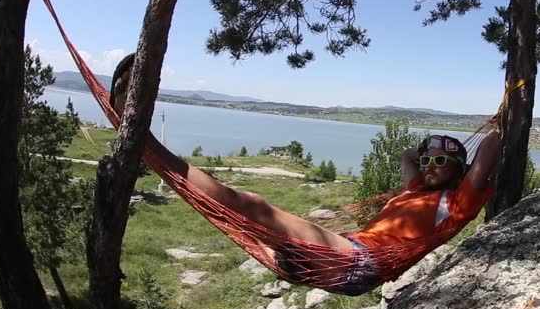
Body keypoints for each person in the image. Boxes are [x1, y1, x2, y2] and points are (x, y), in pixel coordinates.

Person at [110, 53, 501, 295]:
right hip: (336, 258)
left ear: (459, 170)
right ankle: (141, 141)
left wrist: (498, 122)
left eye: (440, 163)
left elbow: (488, 152)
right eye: (428, 160)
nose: (429, 167)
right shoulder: (415, 190)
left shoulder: (458, 201)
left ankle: (142, 139)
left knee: (251, 206)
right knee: (240, 223)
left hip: (356, 262)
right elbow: (406, 155)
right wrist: (427, 151)